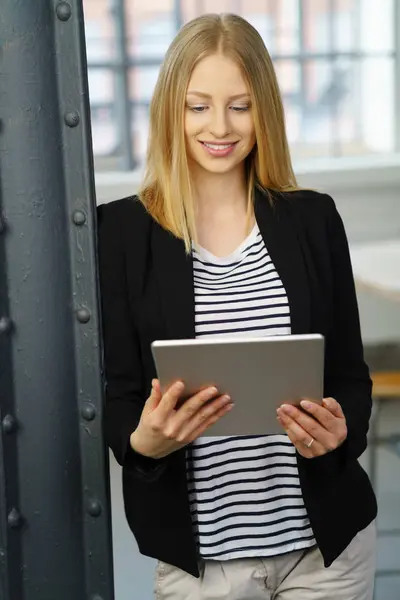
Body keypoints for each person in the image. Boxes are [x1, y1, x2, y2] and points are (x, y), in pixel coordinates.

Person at [97, 13, 377, 600]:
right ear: (171, 110)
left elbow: (350, 375)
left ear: (265, 111)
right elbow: (120, 395)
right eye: (198, 106)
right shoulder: (121, 231)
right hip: (203, 567)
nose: (219, 126)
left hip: (326, 553)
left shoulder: (313, 218)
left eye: (239, 105)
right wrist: (146, 441)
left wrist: (339, 434)